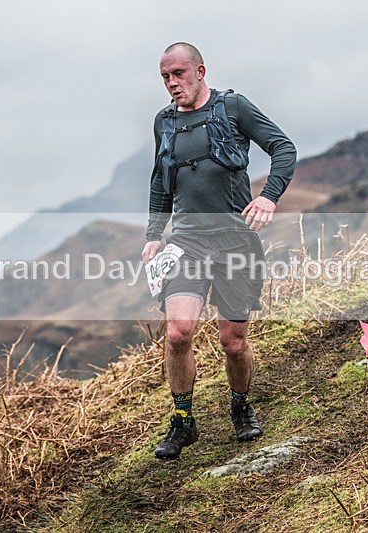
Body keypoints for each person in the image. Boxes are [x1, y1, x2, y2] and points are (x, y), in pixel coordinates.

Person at [142, 42, 296, 460]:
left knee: (233, 341)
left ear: (200, 71)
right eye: (165, 77)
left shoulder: (233, 108)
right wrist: (154, 233)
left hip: (234, 242)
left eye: (178, 74)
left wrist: (269, 196)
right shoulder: (164, 122)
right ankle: (183, 420)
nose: (172, 83)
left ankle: (241, 405)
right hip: (187, 243)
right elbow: (160, 180)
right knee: (178, 332)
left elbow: (283, 148)